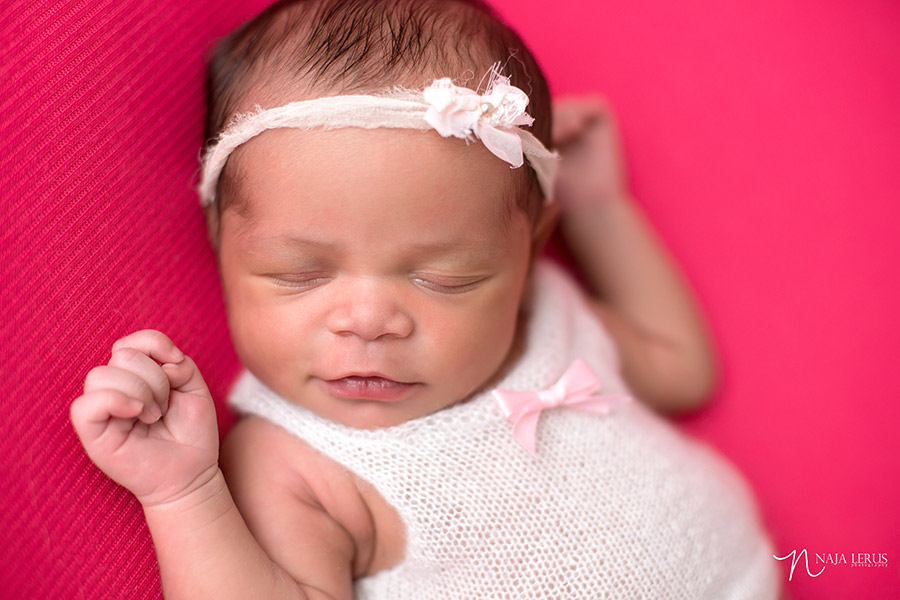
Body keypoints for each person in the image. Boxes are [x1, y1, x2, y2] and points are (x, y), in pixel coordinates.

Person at [70, 0, 780, 597]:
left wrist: (601, 212)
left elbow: (683, 368)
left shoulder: (546, 313)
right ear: (222, 244)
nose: (368, 322)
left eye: (446, 279)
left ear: (529, 252)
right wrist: (183, 494)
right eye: (300, 273)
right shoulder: (293, 462)